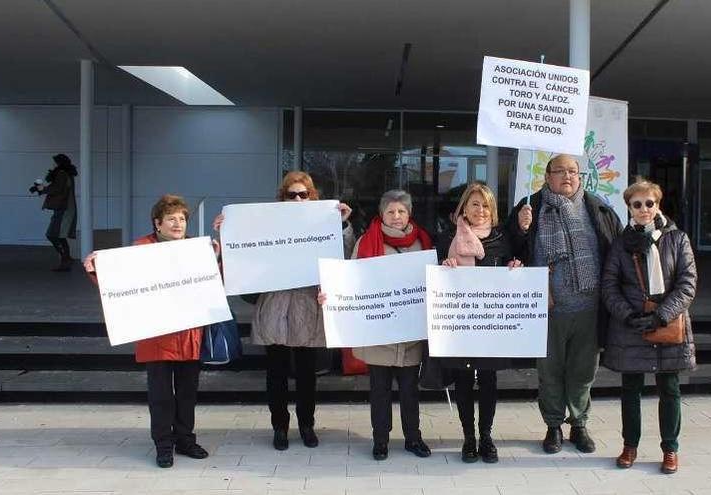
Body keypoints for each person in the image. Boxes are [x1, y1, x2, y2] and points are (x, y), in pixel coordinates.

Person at [213, 171, 353, 451]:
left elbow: (344, 256)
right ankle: (280, 427)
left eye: (304, 194)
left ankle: (306, 425)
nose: (298, 199)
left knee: (306, 375)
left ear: (312, 197)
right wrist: (227, 231)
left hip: (306, 307)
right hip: (275, 308)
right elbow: (245, 253)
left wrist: (344, 225)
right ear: (283, 198)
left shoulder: (322, 225)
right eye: (292, 195)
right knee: (275, 375)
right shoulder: (268, 224)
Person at [83, 194, 210, 468]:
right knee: (161, 396)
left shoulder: (197, 249)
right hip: (157, 337)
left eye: (182, 219)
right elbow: (119, 282)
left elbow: (216, 280)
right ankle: (164, 445)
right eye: (171, 219)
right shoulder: (140, 249)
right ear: (157, 223)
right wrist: (96, 269)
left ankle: (185, 439)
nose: (178, 224)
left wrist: (219, 256)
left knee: (188, 393)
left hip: (189, 335)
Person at [506, 154, 622, 454]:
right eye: (560, 171)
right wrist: (520, 229)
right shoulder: (530, 206)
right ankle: (553, 426)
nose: (567, 176)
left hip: (589, 308)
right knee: (550, 372)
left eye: (573, 171)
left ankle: (579, 424)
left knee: (583, 372)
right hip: (547, 310)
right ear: (547, 177)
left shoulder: (598, 208)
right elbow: (509, 250)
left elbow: (618, 250)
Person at [601, 178, 697, 475]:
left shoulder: (677, 238)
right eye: (637, 204)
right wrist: (628, 315)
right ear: (629, 207)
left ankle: (670, 449)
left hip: (667, 323)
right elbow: (609, 286)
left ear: (658, 205)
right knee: (630, 389)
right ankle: (630, 446)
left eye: (649, 203)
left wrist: (661, 315)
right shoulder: (620, 243)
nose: (644, 209)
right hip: (631, 325)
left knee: (669, 388)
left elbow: (687, 283)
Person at [341, 189, 432, 461]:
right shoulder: (366, 242)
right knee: (379, 390)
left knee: (409, 390)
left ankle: (412, 438)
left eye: (401, 211)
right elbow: (351, 279)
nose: (396, 216)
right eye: (391, 211)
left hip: (410, 334)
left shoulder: (423, 242)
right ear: (382, 214)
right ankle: (380, 440)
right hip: (378, 333)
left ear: (409, 214)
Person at [436, 182, 521, 464]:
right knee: (462, 379)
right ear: (464, 208)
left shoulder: (502, 239)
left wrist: (514, 269)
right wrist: (444, 268)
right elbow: (434, 279)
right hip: (459, 324)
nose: (481, 210)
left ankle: (486, 436)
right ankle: (468, 438)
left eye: (486, 205)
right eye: (475, 204)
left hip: (491, 326)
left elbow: (513, 269)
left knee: (488, 380)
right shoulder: (447, 237)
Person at [35, 153, 78, 271]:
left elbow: (57, 189)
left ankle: (66, 258)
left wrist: (42, 189)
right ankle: (66, 258)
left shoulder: (61, 174)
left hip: (64, 209)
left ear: (59, 163)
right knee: (58, 235)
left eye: (54, 162)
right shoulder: (66, 174)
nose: (52, 164)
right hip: (64, 208)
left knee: (53, 234)